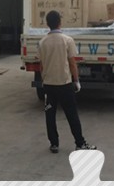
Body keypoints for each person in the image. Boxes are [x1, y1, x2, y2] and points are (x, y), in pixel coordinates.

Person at [38, 10, 96, 153]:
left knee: (50, 114)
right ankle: (80, 143)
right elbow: (72, 63)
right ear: (60, 22)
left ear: (47, 24)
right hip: (64, 83)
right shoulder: (67, 40)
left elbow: (41, 65)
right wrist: (76, 80)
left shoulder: (42, 42)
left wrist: (44, 79)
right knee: (71, 114)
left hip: (49, 84)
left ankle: (54, 143)